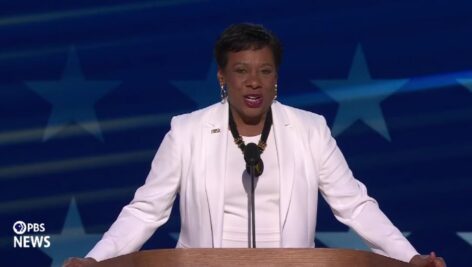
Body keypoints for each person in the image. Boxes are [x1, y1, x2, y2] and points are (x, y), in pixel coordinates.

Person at [63, 23, 446, 267]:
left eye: (265, 71)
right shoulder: (187, 131)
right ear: (222, 77)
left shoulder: (310, 130)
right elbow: (146, 211)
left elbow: (355, 205)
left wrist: (408, 257)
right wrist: (96, 260)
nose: (253, 82)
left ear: (276, 78)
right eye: (241, 71)